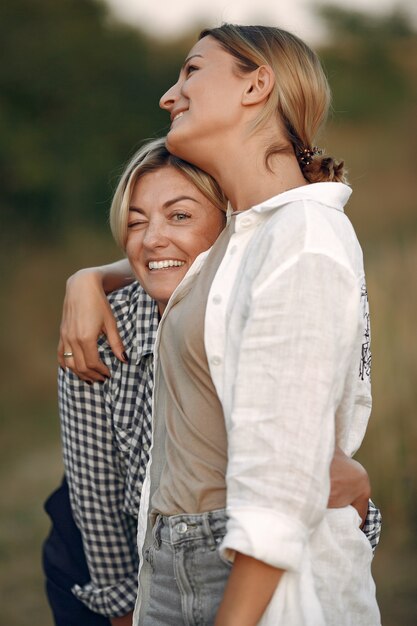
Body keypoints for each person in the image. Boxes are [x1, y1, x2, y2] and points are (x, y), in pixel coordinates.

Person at [54, 24, 382, 624]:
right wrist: (92, 278)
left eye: (192, 71)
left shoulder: (303, 238)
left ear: (257, 84)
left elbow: (278, 487)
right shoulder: (242, 240)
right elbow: (176, 254)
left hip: (242, 567)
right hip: (166, 559)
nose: (169, 95)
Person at [43, 137, 227, 625]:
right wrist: (124, 610)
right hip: (106, 559)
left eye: (180, 215)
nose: (150, 239)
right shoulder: (101, 330)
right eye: (135, 222)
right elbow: (94, 493)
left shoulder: (254, 313)